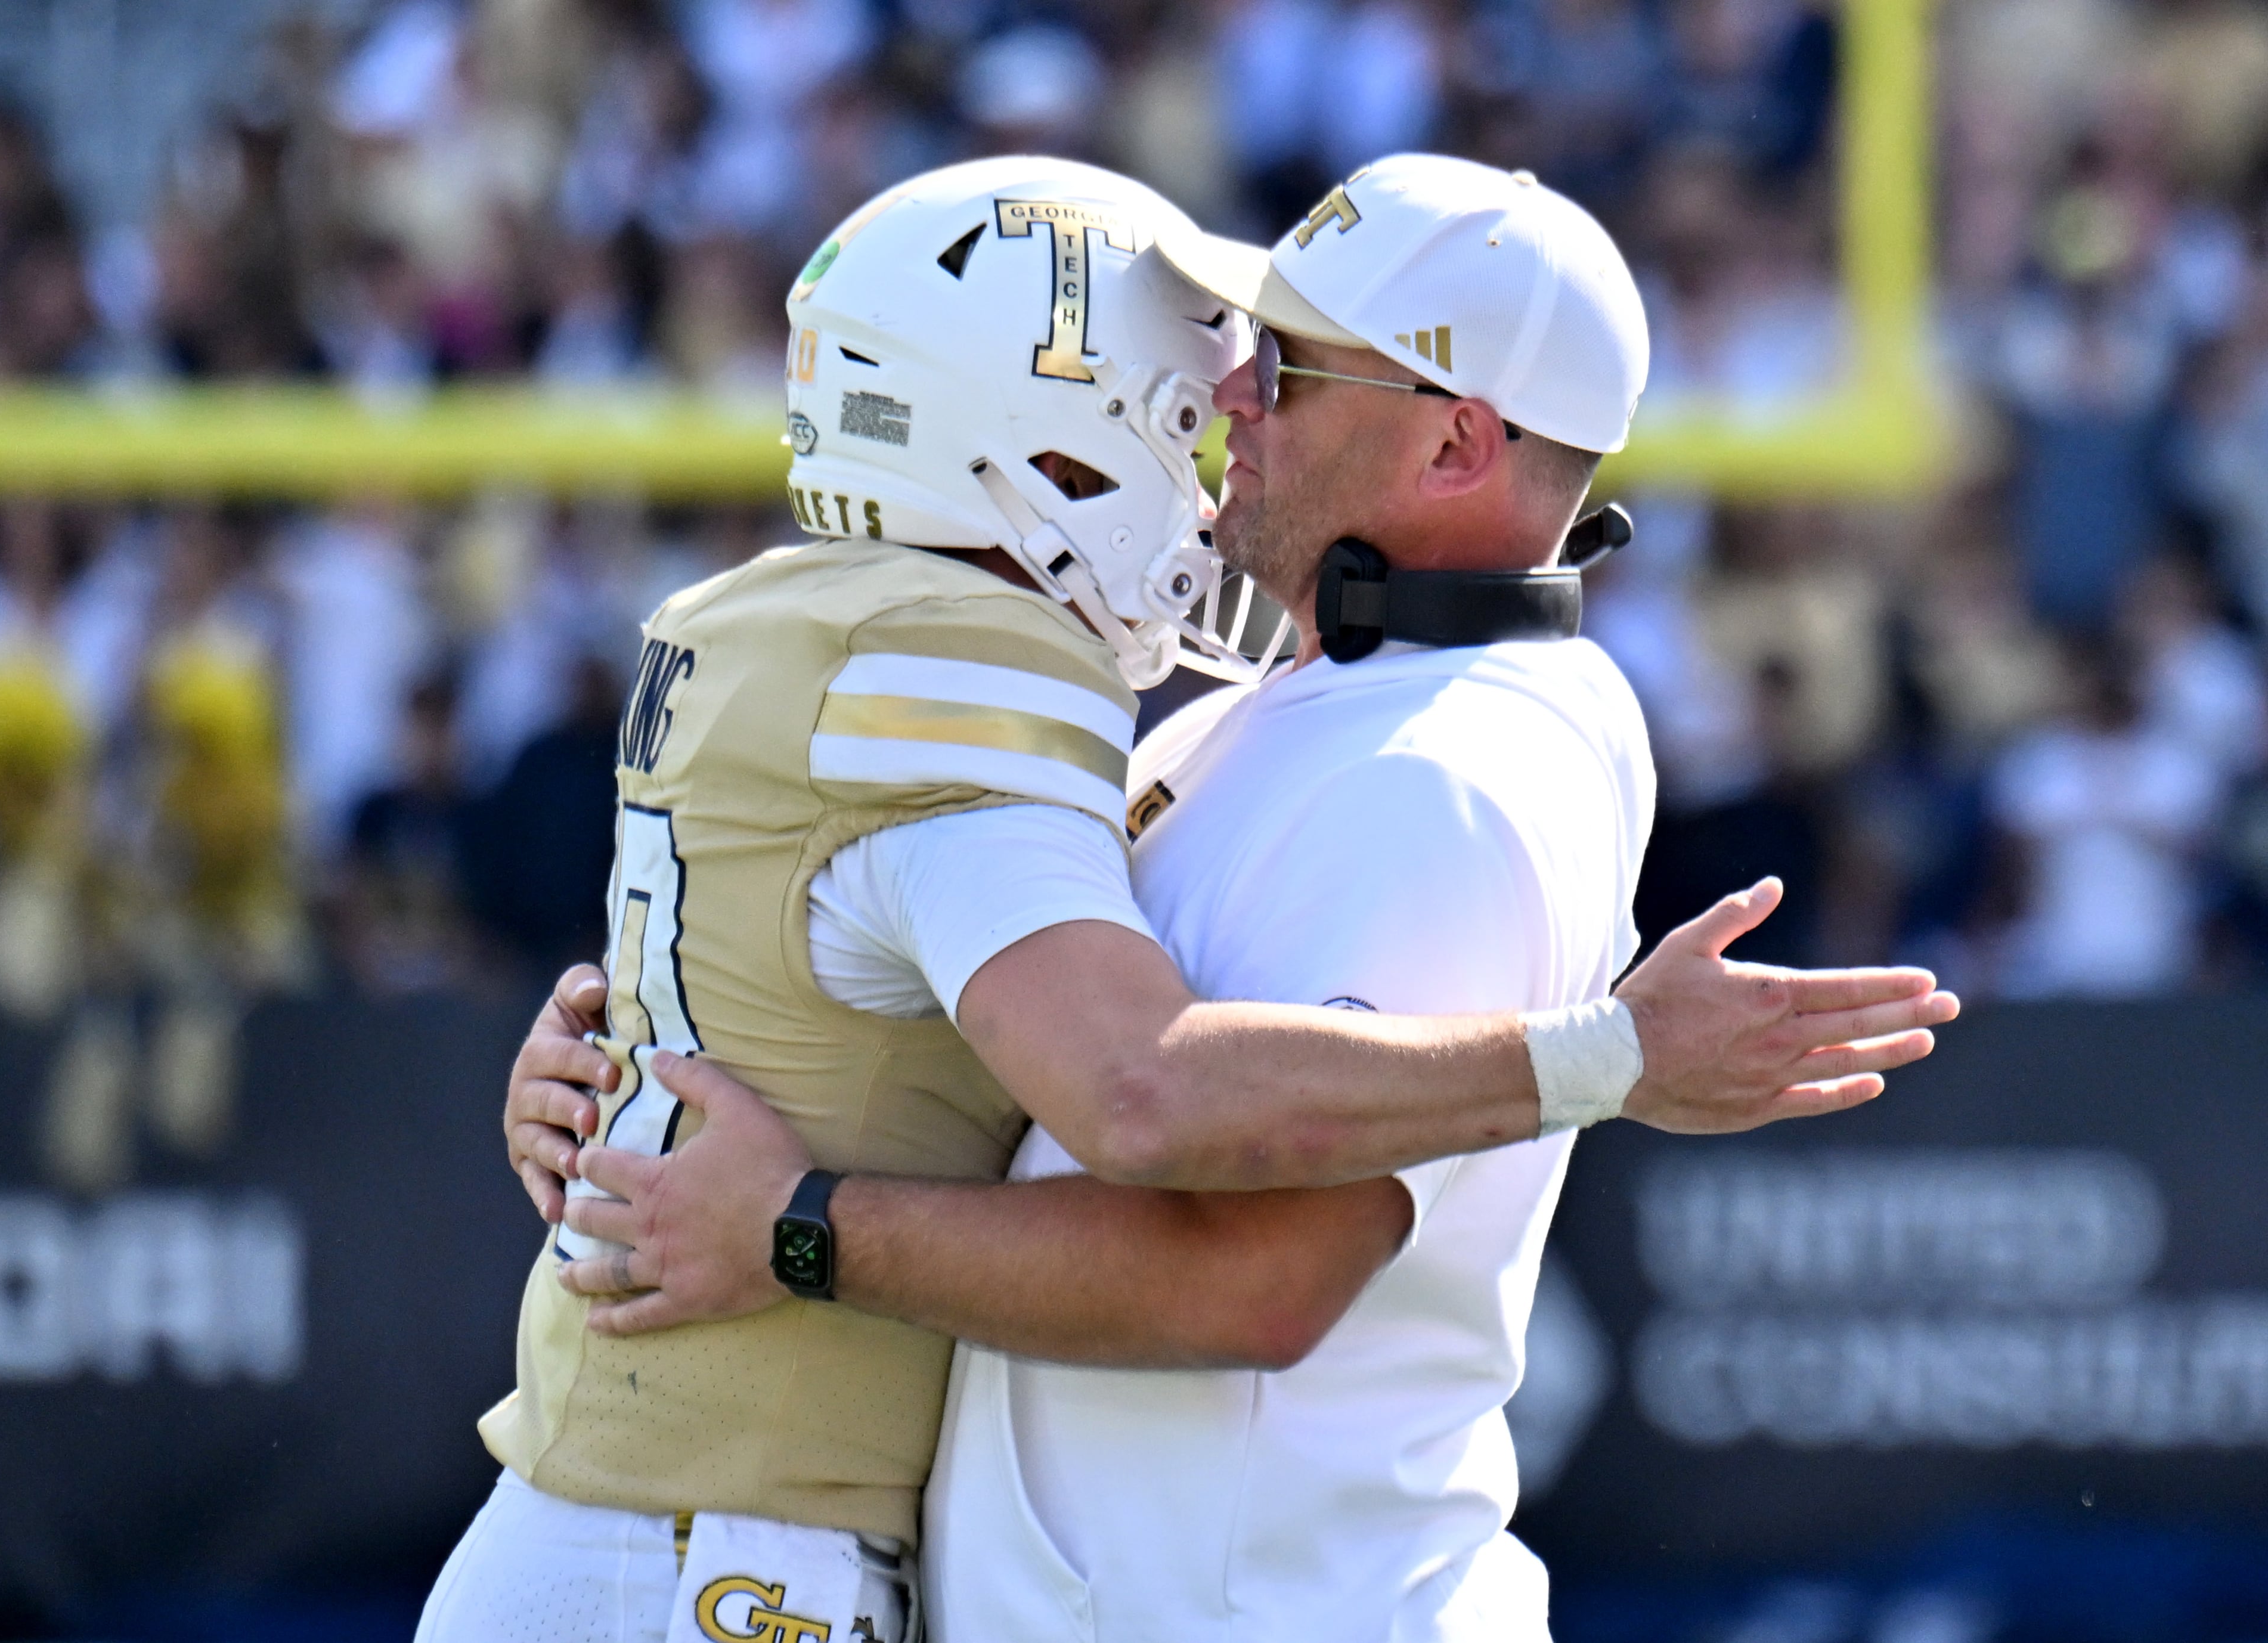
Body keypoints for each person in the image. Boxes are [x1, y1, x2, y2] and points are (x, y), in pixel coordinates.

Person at [500, 155, 1957, 1641]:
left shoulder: (1446, 769)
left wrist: (798, 1226)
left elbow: (1252, 1281)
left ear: (1454, 445)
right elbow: (1000, 1036)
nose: (1231, 398)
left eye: (1295, 368)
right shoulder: (1286, 713)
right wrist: (646, 1062)